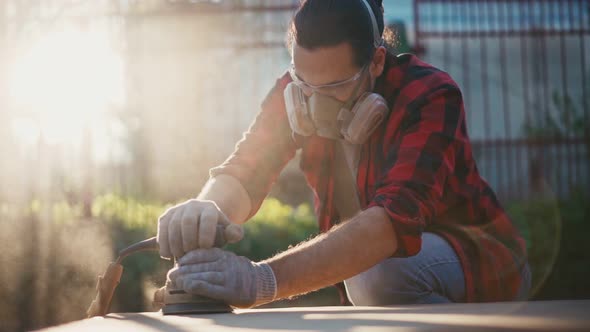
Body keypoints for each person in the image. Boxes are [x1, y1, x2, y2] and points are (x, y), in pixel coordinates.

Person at [159, 0, 530, 308]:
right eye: (304, 83)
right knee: (371, 281)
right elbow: (246, 169)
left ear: (377, 63)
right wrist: (205, 209)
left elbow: (389, 226)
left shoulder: (430, 96)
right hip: (378, 279)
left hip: (480, 265)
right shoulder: (293, 91)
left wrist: (262, 281)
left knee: (379, 276)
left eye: (334, 87)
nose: (314, 101)